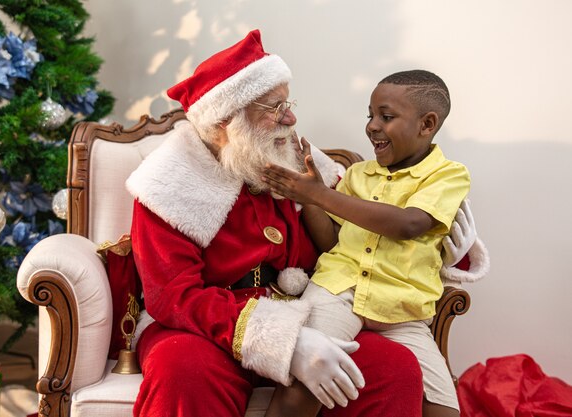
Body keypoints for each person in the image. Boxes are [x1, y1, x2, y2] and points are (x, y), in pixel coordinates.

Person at [126, 31, 487, 417]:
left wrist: (451, 253)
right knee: (183, 368)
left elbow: (366, 235)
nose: (292, 118)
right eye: (275, 106)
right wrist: (284, 342)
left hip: (311, 314)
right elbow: (172, 297)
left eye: (289, 102)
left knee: (394, 369)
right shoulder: (167, 185)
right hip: (203, 330)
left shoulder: (302, 164)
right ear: (225, 121)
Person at [262, 70, 476, 417]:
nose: (373, 125)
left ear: (427, 124)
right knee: (307, 376)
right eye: (370, 115)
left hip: (402, 308)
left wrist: (320, 194)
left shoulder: (449, 175)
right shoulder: (359, 176)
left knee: (443, 407)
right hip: (338, 291)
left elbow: (408, 224)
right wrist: (310, 198)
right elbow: (331, 240)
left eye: (386, 116)